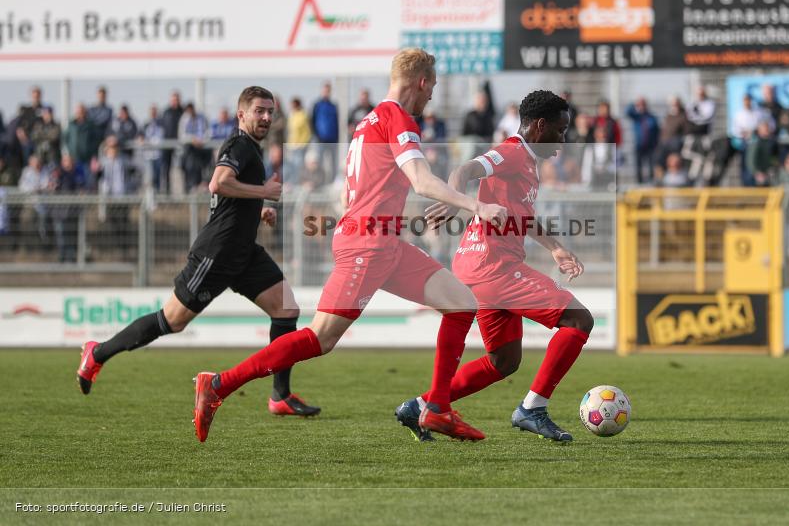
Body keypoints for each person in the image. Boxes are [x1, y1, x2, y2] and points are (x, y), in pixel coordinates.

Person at [191, 49, 507, 443]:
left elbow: (353, 189)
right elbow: (421, 181)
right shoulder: (398, 119)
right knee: (320, 338)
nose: (431, 96)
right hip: (369, 245)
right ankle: (218, 384)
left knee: (460, 303)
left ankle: (437, 408)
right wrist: (478, 205)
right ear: (422, 82)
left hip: (382, 241)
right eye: (433, 87)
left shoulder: (368, 121)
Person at [76, 86, 320, 420]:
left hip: (244, 253)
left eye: (269, 111)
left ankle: (280, 396)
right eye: (259, 111)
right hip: (216, 254)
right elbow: (218, 183)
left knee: (286, 309)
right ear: (241, 114)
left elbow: (229, 197)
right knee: (170, 321)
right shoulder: (238, 144)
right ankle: (97, 353)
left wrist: (258, 208)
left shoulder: (252, 148)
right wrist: (263, 192)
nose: (265, 117)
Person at [396, 90, 591, 443]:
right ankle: (532, 409)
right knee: (579, 320)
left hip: (479, 266)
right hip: (494, 267)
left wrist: (556, 248)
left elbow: (524, 218)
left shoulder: (527, 162)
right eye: (560, 131)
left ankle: (421, 405)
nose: (564, 140)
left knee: (504, 361)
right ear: (540, 125)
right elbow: (464, 169)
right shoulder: (513, 151)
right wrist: (460, 203)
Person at [626, 97, 659, 184]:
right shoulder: (637, 116)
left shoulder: (652, 117)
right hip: (639, 145)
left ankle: (651, 182)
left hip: (651, 146)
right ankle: (639, 182)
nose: (642, 106)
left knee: (651, 165)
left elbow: (656, 131)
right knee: (638, 166)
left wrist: (656, 144)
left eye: (643, 104)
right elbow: (627, 112)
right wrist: (634, 104)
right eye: (640, 104)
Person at [311, 82, 339, 180]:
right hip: (320, 140)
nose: (326, 93)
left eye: (328, 91)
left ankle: (332, 180)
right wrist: (316, 136)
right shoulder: (317, 105)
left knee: (333, 162)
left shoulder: (334, 106)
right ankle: (321, 180)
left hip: (333, 140)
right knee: (321, 161)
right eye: (325, 91)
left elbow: (337, 122)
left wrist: (337, 137)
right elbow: (312, 121)